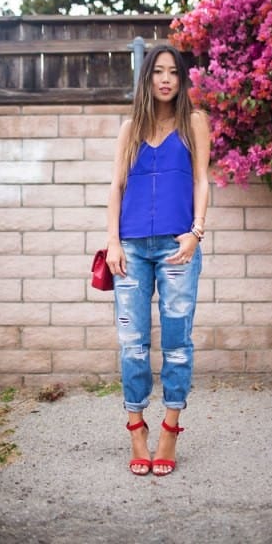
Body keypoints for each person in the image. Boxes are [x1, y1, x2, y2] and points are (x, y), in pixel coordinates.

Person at [106, 44, 210, 476]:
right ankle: (135, 428)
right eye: (158, 72)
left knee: (177, 345)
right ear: (147, 79)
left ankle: (170, 429)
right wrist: (112, 241)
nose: (166, 79)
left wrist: (196, 231)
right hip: (130, 248)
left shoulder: (194, 123)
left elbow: (203, 180)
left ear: (182, 80)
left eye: (173, 72)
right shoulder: (130, 128)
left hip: (178, 246)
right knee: (132, 346)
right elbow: (116, 187)